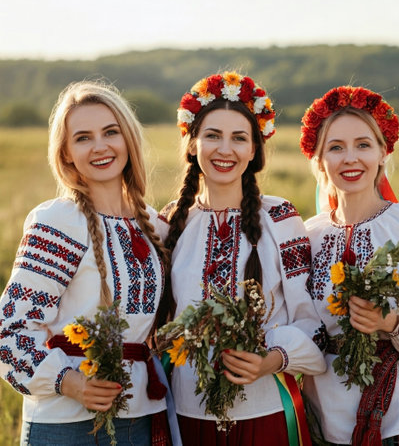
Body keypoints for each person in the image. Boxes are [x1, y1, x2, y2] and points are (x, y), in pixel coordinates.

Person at [0, 80, 178, 445]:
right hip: (67, 423)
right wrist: (71, 382)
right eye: (83, 138)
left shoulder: (152, 222)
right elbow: (10, 329)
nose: (100, 146)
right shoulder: (58, 221)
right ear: (65, 153)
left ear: (128, 138)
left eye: (110, 132)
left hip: (143, 415)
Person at [157, 71, 326, 446]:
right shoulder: (171, 223)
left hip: (265, 413)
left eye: (239, 138)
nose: (225, 149)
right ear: (191, 144)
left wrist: (272, 359)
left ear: (254, 150)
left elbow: (313, 325)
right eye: (212, 136)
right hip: (186, 413)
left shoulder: (280, 218)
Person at [299, 85, 399, 445]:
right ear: (319, 159)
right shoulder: (310, 235)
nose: (350, 157)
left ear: (383, 152)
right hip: (329, 427)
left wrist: (393, 322)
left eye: (363, 144)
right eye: (335, 147)